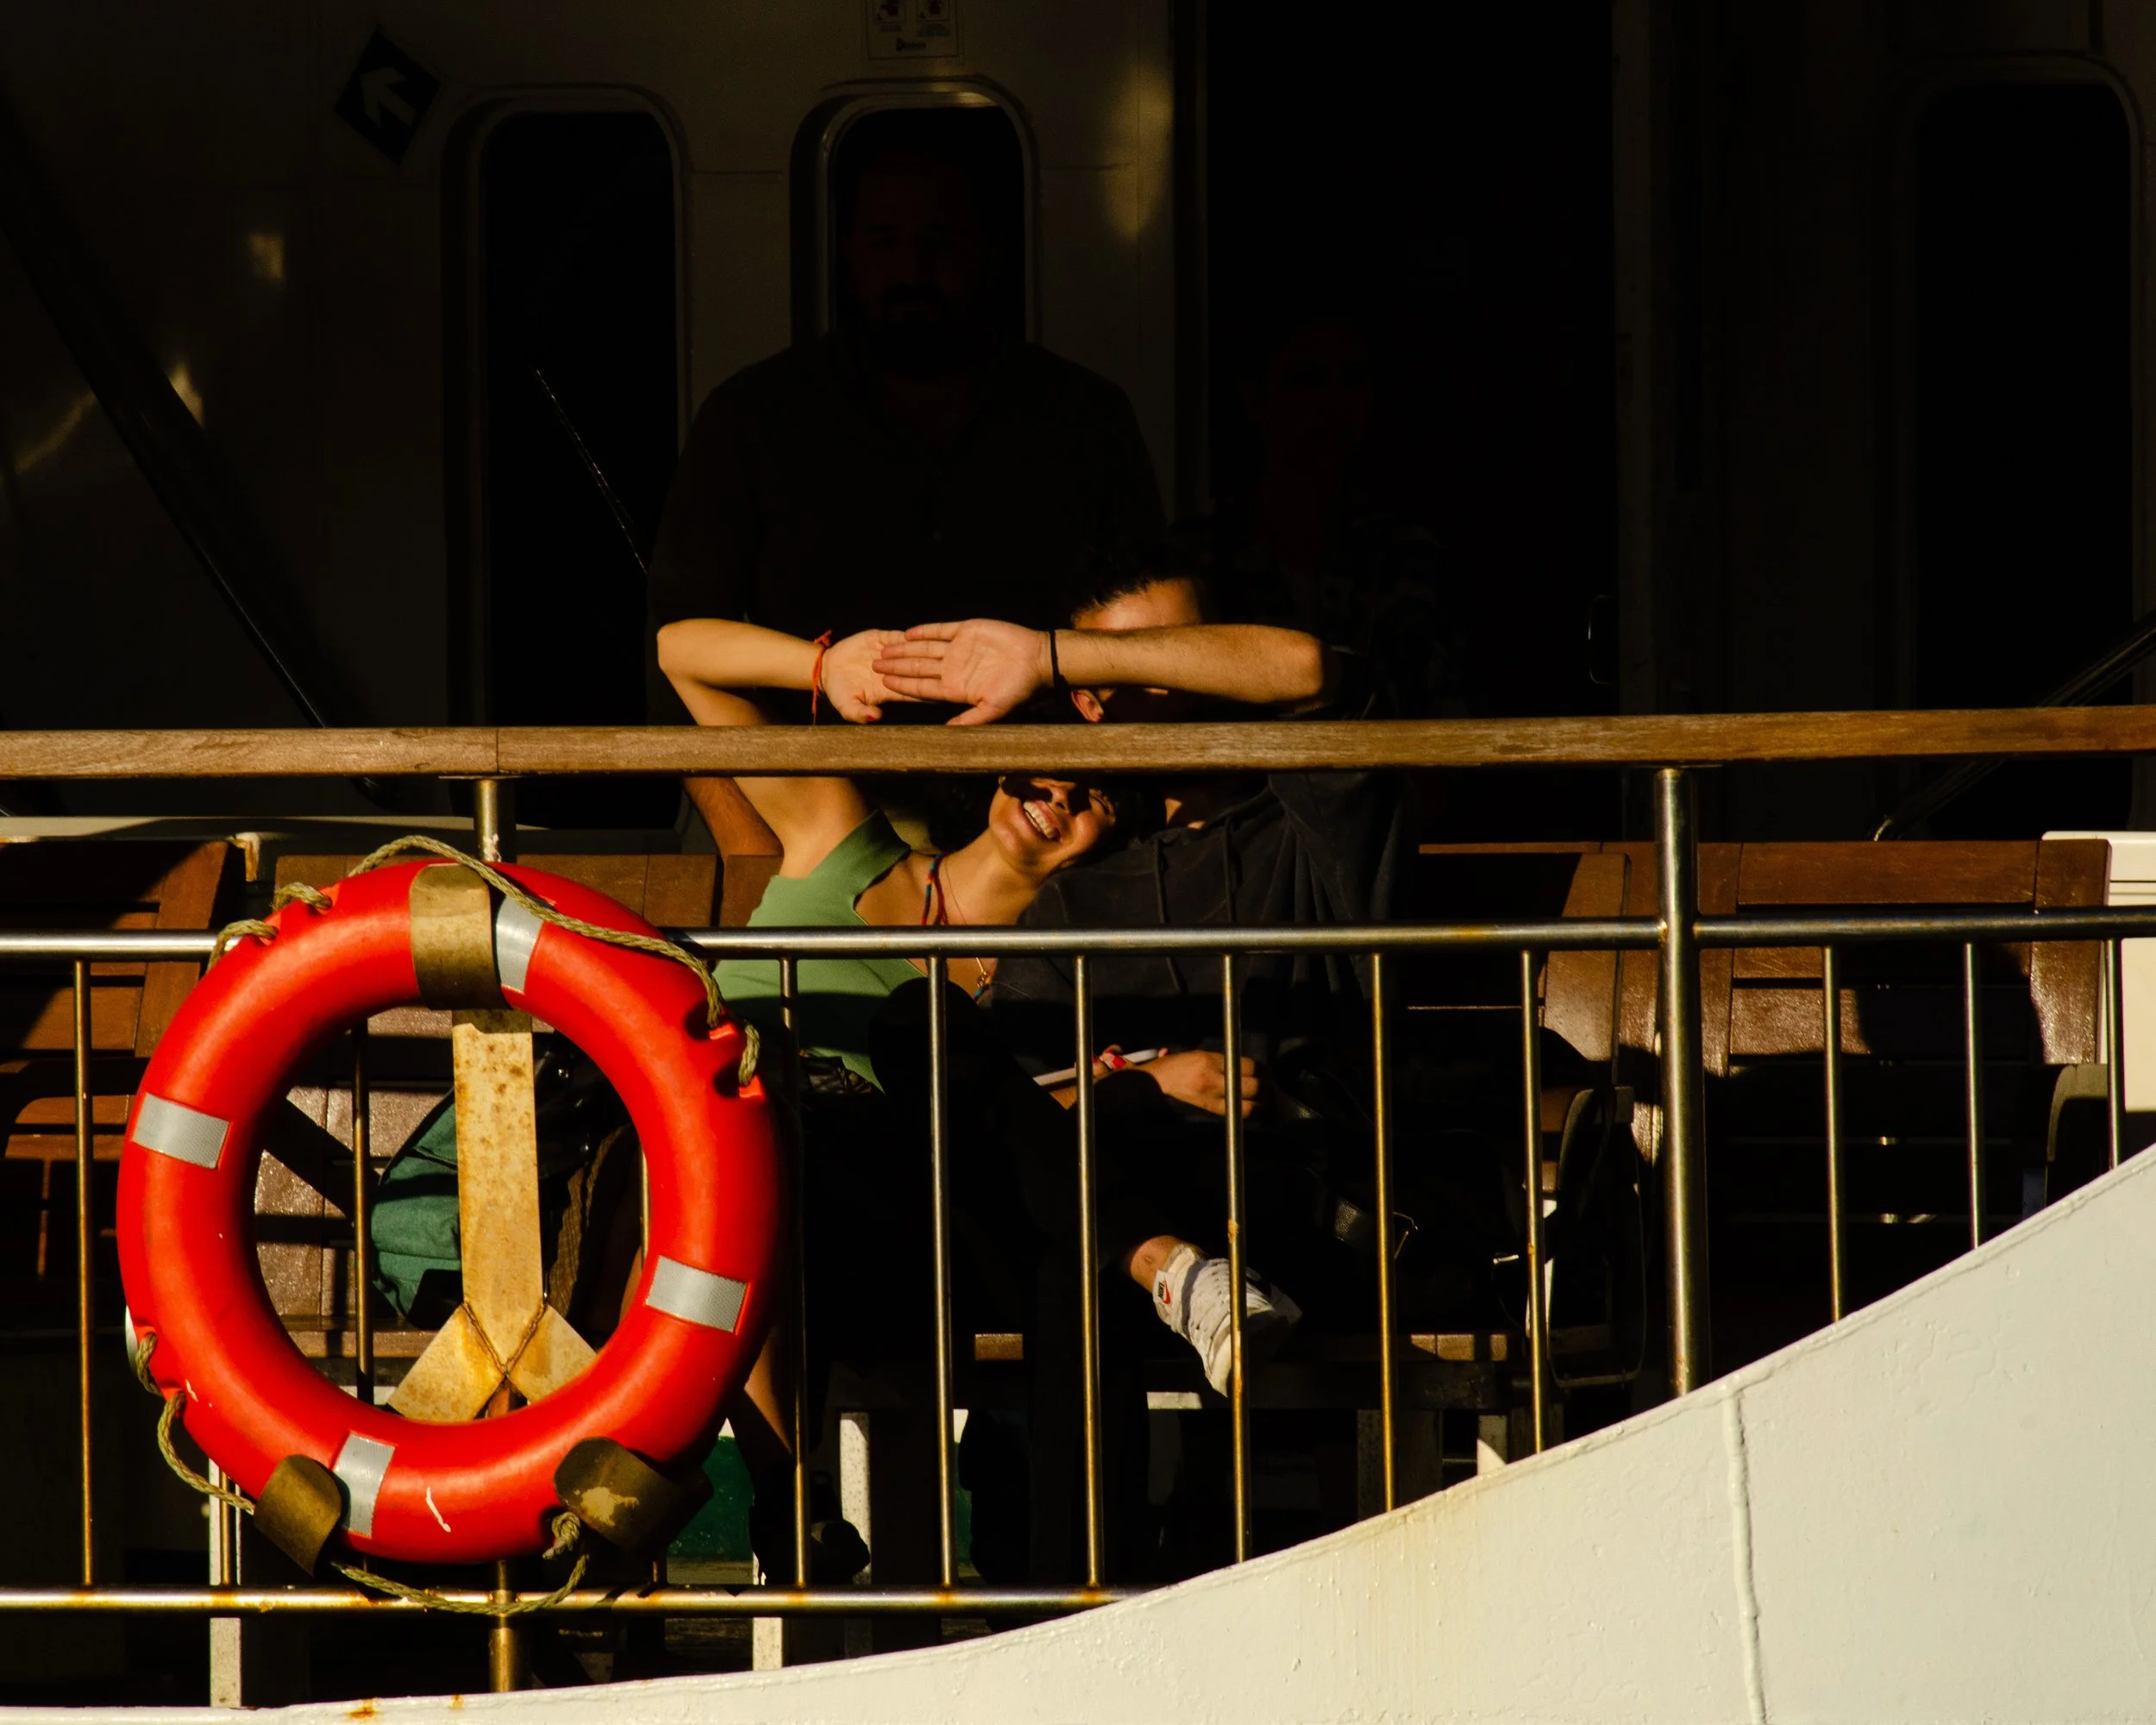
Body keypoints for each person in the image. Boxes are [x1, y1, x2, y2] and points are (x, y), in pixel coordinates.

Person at [645, 108, 1167, 857]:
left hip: (1038, 821)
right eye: (884, 241)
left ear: (988, 250)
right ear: (847, 253)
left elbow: (1143, 635)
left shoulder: (1082, 417)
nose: (911, 269)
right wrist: (757, 853)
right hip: (811, 820)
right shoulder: (754, 416)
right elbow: (676, 646)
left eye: (940, 240)